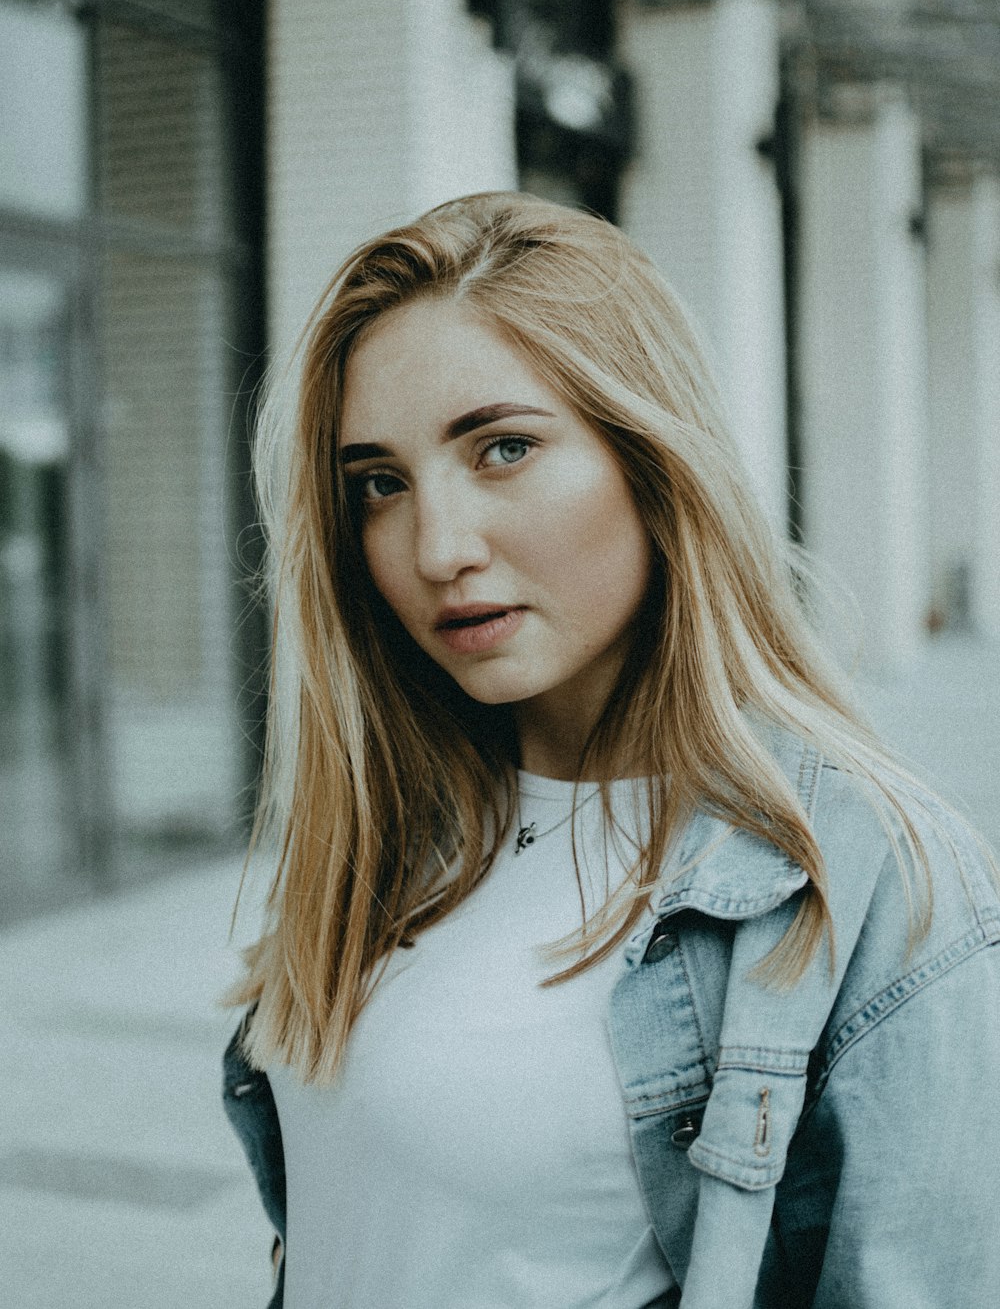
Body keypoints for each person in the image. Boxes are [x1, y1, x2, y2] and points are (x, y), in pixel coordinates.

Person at [223, 192, 1000, 1309]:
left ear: (651, 459)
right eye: (378, 485)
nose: (436, 547)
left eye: (502, 448)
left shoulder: (872, 883)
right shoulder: (399, 819)